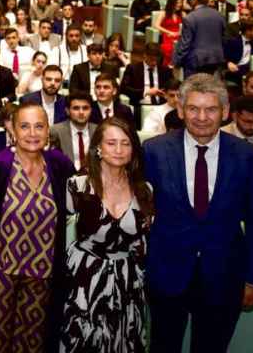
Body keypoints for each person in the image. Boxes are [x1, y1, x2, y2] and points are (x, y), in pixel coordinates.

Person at [144, 74, 253, 353]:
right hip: (166, 273)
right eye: (193, 108)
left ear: (225, 112)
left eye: (211, 109)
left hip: (224, 275)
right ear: (180, 110)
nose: (202, 117)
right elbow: (142, 214)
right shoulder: (154, 151)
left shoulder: (247, 156)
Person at [0, 102, 75, 351]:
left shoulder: (59, 165)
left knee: (33, 342)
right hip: (0, 274)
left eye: (39, 126)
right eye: (25, 126)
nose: (32, 133)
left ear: (48, 130)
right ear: (13, 130)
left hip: (43, 275)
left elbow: (79, 201)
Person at [62, 117, 152, 352]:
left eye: (126, 143)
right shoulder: (77, 186)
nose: (119, 150)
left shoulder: (145, 190)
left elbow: (145, 243)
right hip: (85, 283)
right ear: (98, 148)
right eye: (111, 143)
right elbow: (54, 233)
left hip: (128, 284)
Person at [172, 0, 226, 78]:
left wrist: (177, 61)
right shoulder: (219, 16)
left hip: (195, 60)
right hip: (215, 58)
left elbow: (185, 43)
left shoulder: (190, 17)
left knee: (192, 85)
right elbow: (224, 38)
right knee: (208, 84)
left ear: (195, 0)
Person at [49, 92, 98, 171]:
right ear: (67, 111)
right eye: (76, 108)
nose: (81, 112)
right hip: (65, 176)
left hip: (92, 176)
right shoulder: (55, 131)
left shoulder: (98, 131)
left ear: (91, 110)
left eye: (85, 108)